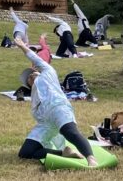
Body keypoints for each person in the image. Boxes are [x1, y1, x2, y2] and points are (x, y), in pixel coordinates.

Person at [13, 36, 97, 167]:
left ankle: (91, 158)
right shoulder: (34, 95)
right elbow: (38, 116)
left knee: (71, 133)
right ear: (29, 85)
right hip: (45, 122)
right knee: (25, 152)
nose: (31, 76)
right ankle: (63, 153)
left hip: (59, 108)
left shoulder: (48, 73)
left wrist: (22, 46)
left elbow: (34, 58)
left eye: (32, 73)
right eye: (28, 78)